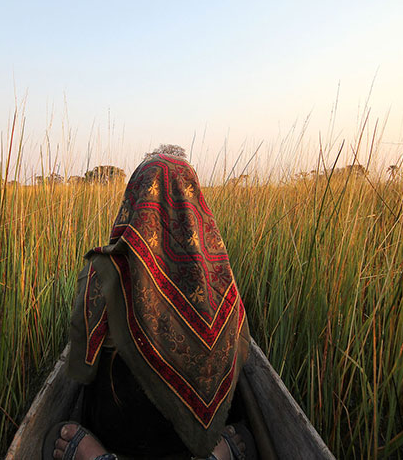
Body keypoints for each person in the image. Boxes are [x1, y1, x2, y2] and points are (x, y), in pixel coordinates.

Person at [47, 152, 252, 460]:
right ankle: (212, 453)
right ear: (195, 202)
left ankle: (101, 457)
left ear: (136, 200)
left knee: (59, 436)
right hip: (190, 444)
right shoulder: (219, 276)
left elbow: (82, 372)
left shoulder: (104, 270)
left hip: (121, 436)